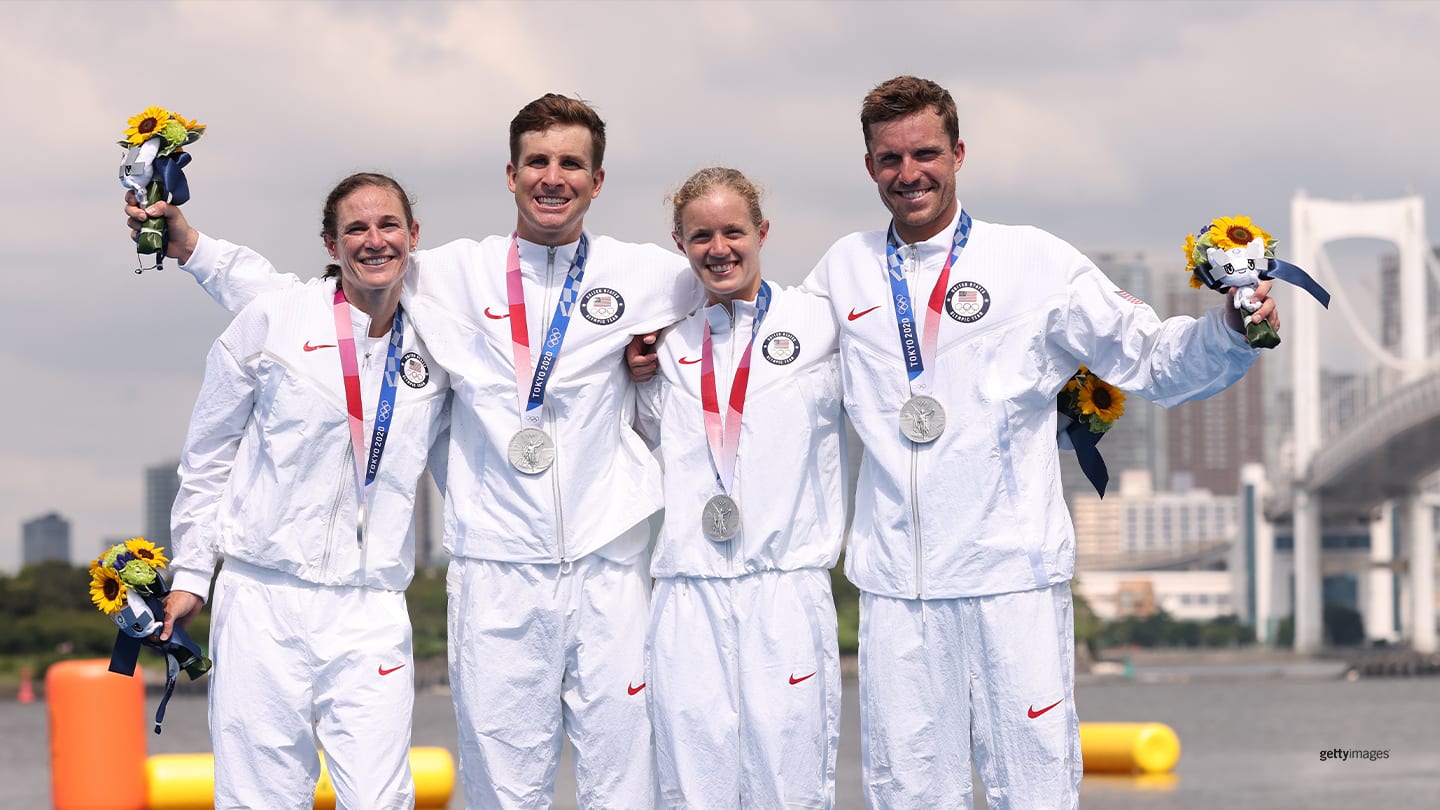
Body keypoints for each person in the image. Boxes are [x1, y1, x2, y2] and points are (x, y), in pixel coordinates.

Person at [129, 95, 703, 808]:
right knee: (500, 784)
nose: (553, 177)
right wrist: (194, 249)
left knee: (625, 778)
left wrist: (650, 364)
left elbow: (734, 287)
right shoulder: (446, 276)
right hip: (493, 567)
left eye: (570, 163)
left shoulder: (654, 276)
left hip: (608, 560)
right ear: (511, 173)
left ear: (597, 178)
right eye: (537, 162)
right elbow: (300, 301)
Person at [800, 76, 1281, 809]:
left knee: (1034, 788)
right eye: (890, 159)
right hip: (898, 589)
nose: (909, 173)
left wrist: (1226, 329)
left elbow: (1147, 356)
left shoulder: (1034, 262)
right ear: (869, 167)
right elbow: (777, 374)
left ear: (959, 153)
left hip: (1012, 581)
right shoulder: (842, 271)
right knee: (905, 793)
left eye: (925, 152)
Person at [161, 172, 451, 808]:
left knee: (382, 800)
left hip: (371, 605)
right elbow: (208, 457)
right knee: (257, 798)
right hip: (262, 596)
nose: (374, 241)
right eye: (355, 229)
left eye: (388, 226)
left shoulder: (441, 336)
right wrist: (189, 574)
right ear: (330, 242)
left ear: (413, 236)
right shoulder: (275, 319)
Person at [633, 168, 844, 807]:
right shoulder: (662, 340)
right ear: (679, 243)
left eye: (733, 231)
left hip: (786, 590)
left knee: (791, 784)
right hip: (685, 591)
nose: (718, 248)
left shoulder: (823, 323)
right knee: (690, 787)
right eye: (701, 236)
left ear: (763, 232)